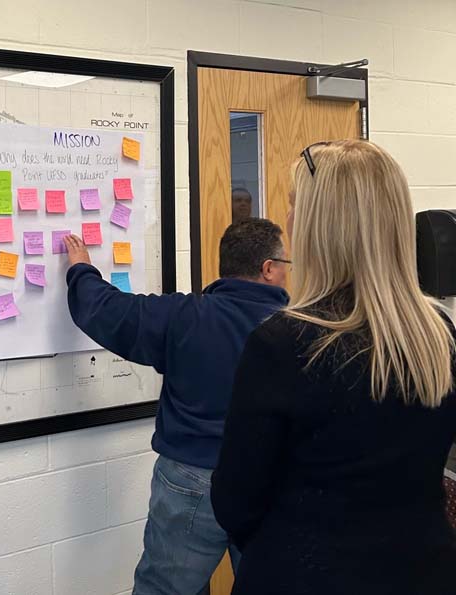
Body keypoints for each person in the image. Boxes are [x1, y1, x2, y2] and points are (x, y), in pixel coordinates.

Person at [211, 140, 456, 594]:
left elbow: (234, 502)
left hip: (306, 573)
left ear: (317, 226)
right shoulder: (438, 333)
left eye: (293, 207)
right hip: (423, 569)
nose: (288, 220)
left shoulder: (283, 344)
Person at [63, 218, 291, 595]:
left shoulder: (185, 316)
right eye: (286, 263)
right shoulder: (299, 330)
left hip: (188, 480)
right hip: (268, 483)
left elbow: (108, 311)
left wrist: (82, 270)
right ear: (268, 269)